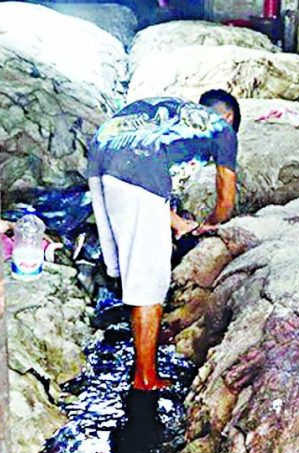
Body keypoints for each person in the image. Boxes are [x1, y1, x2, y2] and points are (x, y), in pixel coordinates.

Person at [87, 89, 240, 391]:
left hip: (101, 155)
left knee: (129, 269)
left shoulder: (176, 118)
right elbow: (226, 199)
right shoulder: (222, 129)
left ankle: (145, 340)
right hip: (135, 169)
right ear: (229, 117)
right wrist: (211, 225)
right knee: (148, 280)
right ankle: (145, 378)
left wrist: (178, 223)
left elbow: (153, 186)